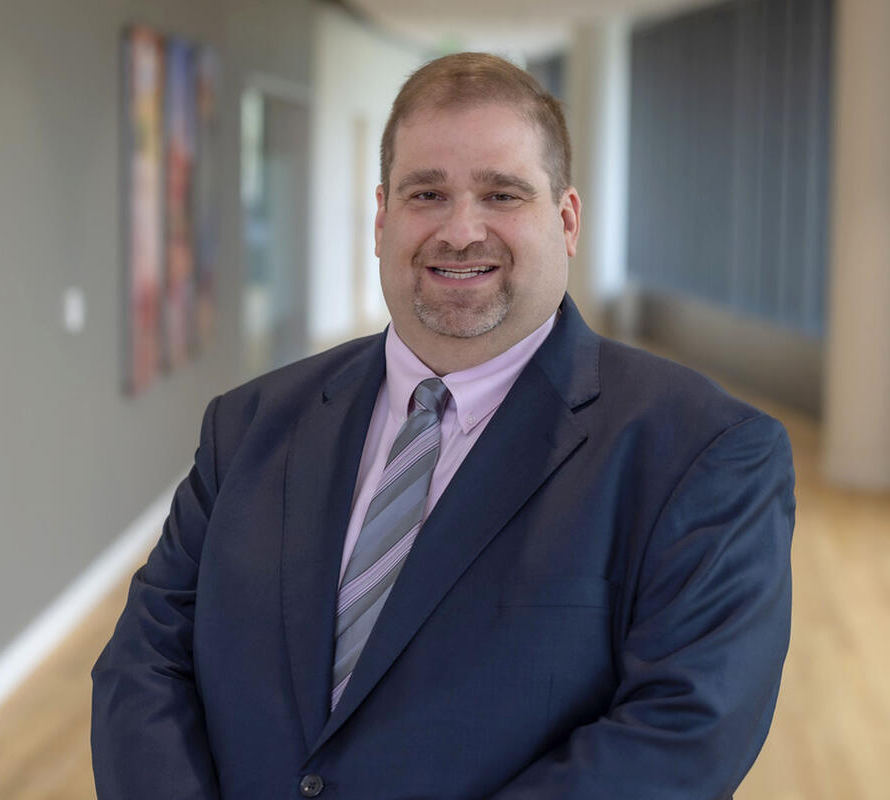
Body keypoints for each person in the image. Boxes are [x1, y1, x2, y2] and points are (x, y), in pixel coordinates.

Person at [91, 52, 794, 799]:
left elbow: (679, 736)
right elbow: (146, 663)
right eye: (427, 193)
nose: (461, 232)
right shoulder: (247, 425)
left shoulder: (704, 454)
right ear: (382, 220)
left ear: (566, 221)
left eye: (501, 194)